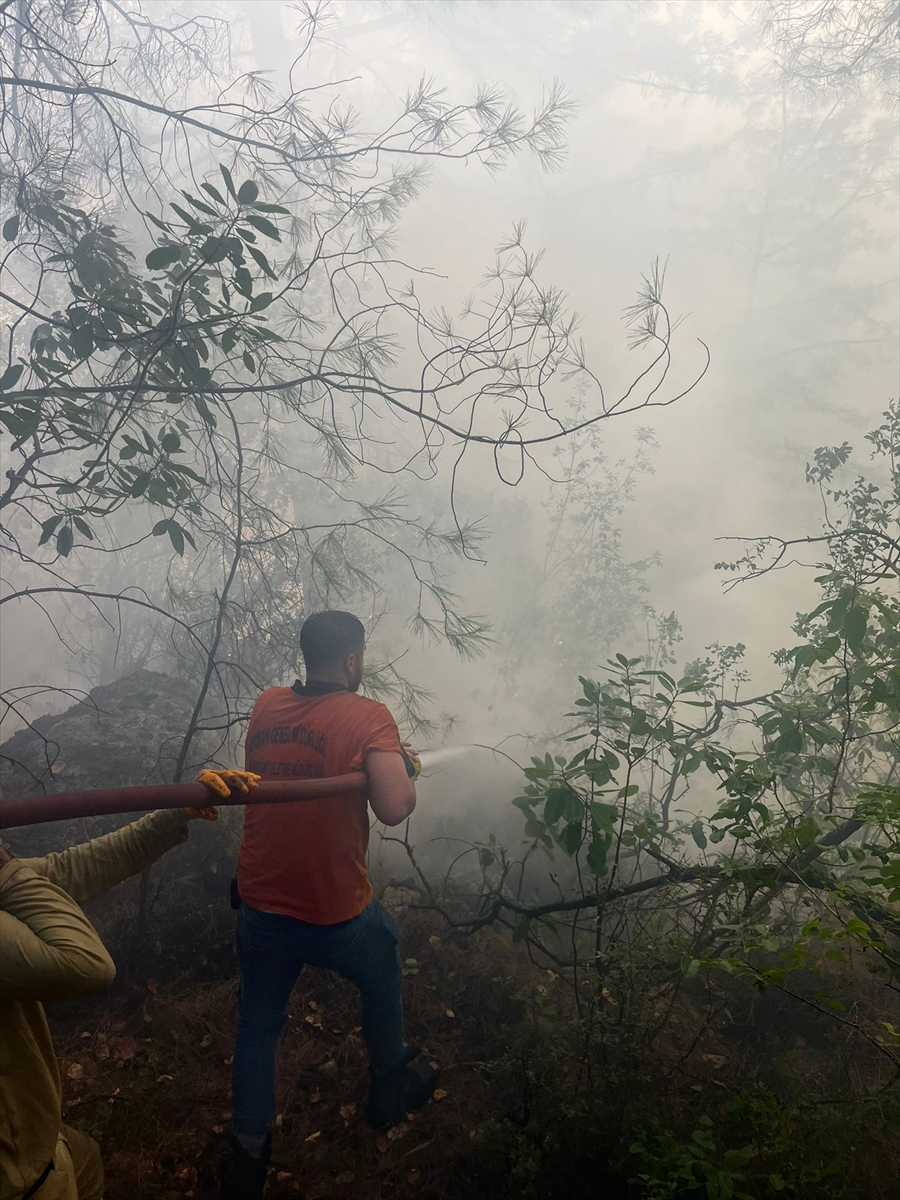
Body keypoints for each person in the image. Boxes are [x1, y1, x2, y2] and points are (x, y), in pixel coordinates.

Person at [220, 611, 435, 1200]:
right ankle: (389, 1088)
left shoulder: (266, 705)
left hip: (261, 904)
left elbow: (298, 762)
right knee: (384, 953)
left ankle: (246, 1158)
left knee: (257, 1031)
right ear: (350, 660)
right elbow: (394, 807)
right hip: (333, 914)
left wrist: (376, 761)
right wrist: (400, 764)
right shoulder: (369, 717)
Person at [0, 768, 258, 1200]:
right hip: (24, 1178)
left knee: (86, 1158)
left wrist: (173, 814)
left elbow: (75, 867)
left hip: (39, 1132)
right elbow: (85, 964)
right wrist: (6, 870)